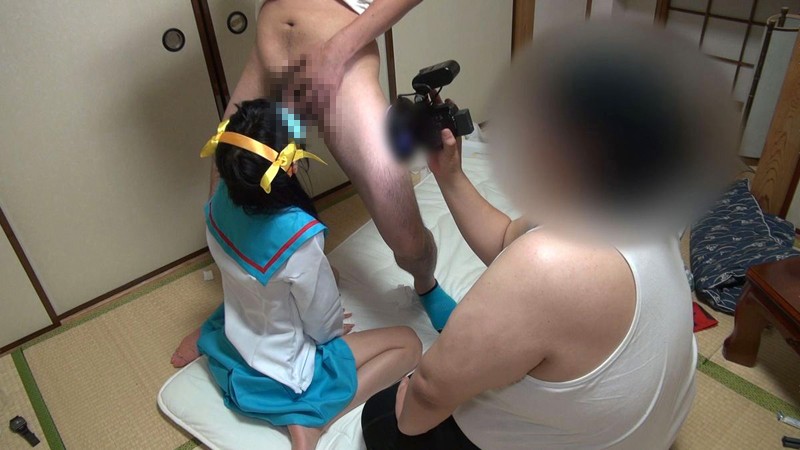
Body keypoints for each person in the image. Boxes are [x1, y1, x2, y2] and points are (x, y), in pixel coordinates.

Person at [361, 23, 737, 449]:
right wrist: (450, 174)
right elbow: (507, 239)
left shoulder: (547, 261)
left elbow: (429, 393)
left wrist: (409, 404)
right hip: (651, 434)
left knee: (383, 413)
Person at [172, 0, 455, 368]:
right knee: (225, 200)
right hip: (269, 53)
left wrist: (336, 50)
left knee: (407, 236)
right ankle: (242, 310)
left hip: (343, 58)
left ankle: (426, 284)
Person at [195, 99, 421, 450]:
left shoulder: (218, 201)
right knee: (410, 343)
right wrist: (331, 328)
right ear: (291, 166)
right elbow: (322, 324)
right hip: (285, 374)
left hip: (236, 349)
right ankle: (314, 420)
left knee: (324, 275)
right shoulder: (298, 236)